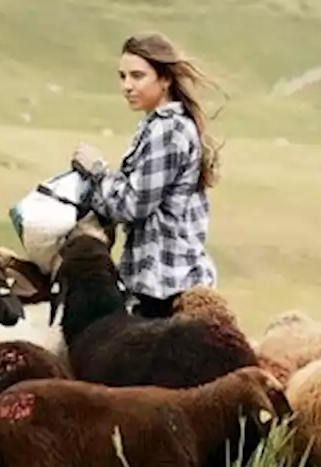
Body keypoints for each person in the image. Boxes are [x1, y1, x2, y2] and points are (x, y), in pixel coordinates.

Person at [70, 31, 223, 319]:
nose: (127, 86)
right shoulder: (157, 125)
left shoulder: (168, 130)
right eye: (122, 76)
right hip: (158, 280)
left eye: (137, 76)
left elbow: (132, 205)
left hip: (164, 286)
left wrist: (97, 171)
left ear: (165, 79)